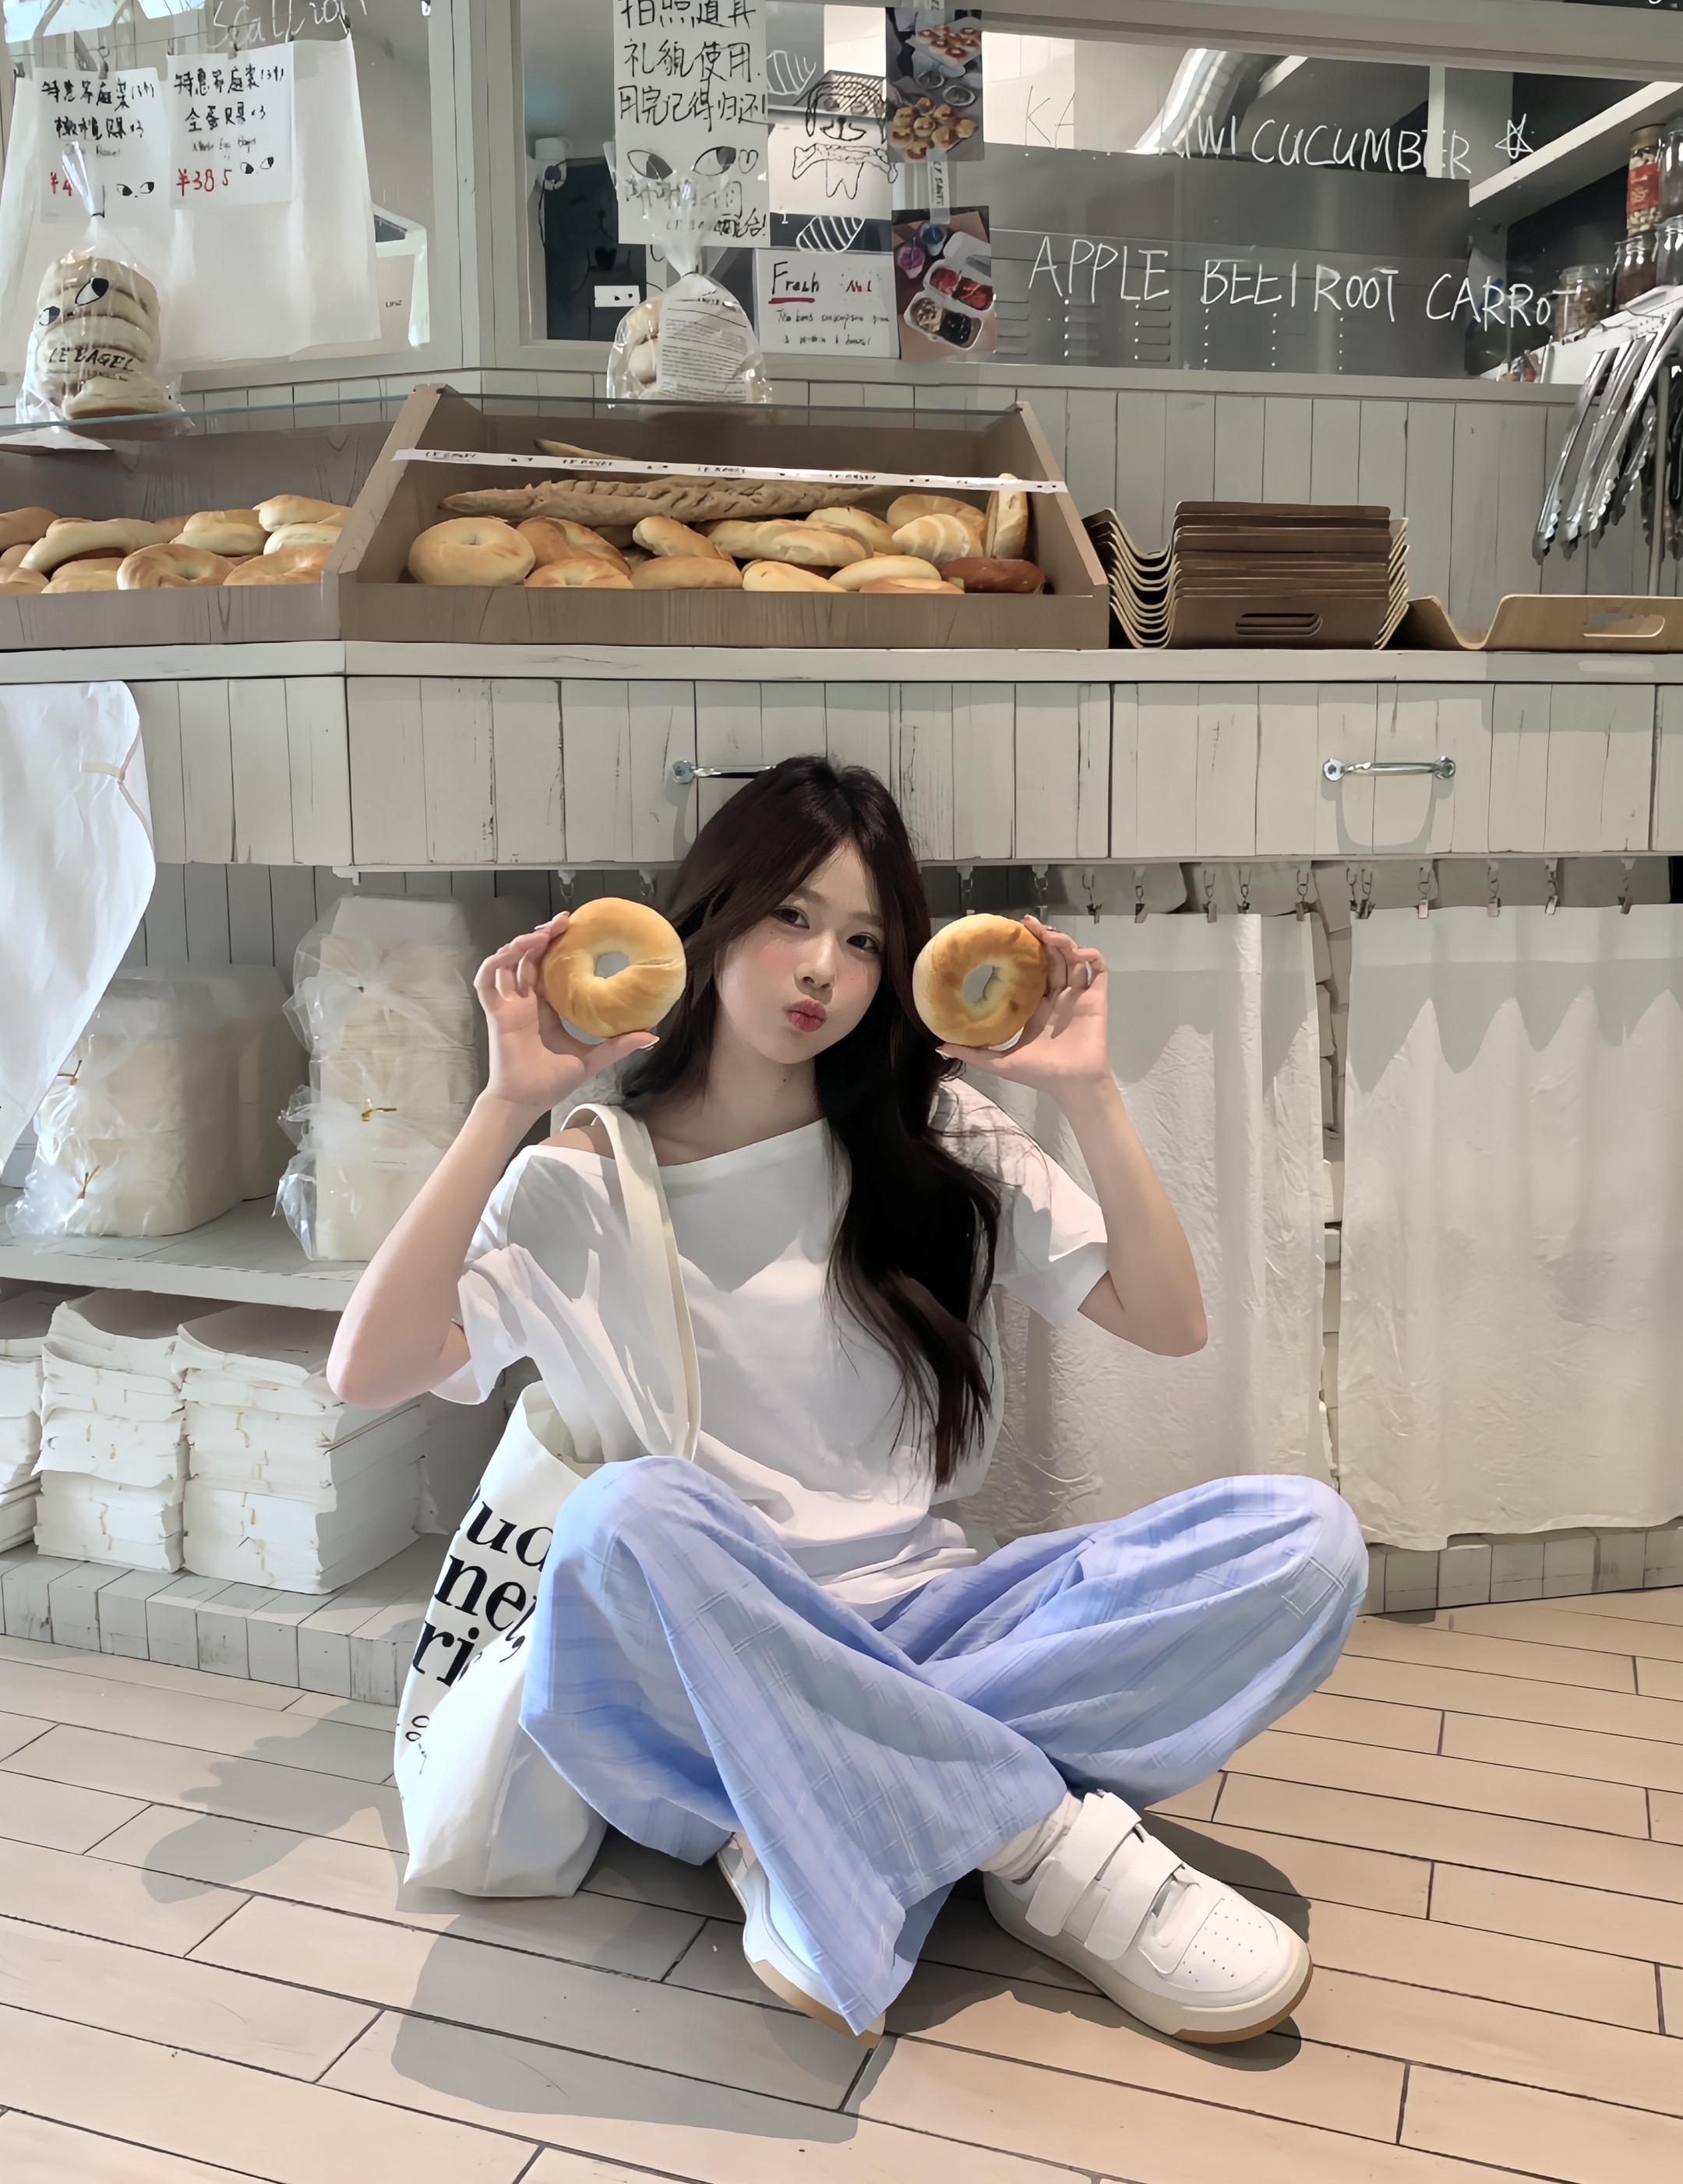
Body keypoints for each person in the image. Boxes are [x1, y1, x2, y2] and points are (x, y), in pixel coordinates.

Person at [330, 755, 1366, 2050]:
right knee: (628, 1518)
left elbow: (1170, 1320)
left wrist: (1087, 1094)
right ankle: (1043, 1841)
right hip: (695, 1657)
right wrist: (505, 1106)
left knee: (1306, 1542)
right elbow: (369, 1370)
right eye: (792, 917)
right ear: (711, 920)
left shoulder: (937, 1136)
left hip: (928, 1621)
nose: (823, 967)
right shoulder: (583, 1176)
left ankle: (825, 1811)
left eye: (865, 940)